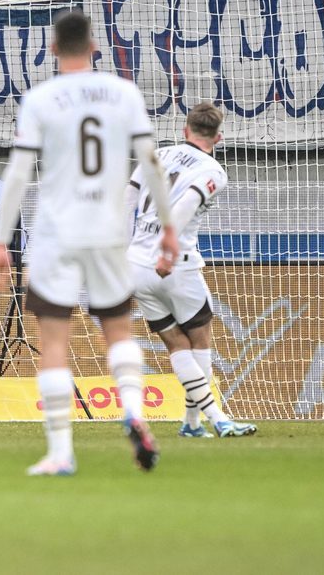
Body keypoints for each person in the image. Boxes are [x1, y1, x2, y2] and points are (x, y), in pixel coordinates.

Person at [0, 10, 179, 476]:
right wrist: (169, 226)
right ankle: (133, 410)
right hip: (109, 228)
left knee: (53, 338)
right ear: (95, 47)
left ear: (53, 50)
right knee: (118, 328)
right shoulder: (124, 94)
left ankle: (60, 451)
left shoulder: (41, 98)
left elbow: (18, 173)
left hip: (57, 231)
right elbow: (151, 161)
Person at [126, 102, 257, 438]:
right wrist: (167, 248)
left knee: (176, 344)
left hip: (136, 264)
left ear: (185, 130)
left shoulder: (156, 155)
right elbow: (186, 204)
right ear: (219, 137)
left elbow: (126, 201)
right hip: (176, 265)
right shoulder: (213, 171)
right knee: (200, 340)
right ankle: (217, 419)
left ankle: (192, 423)